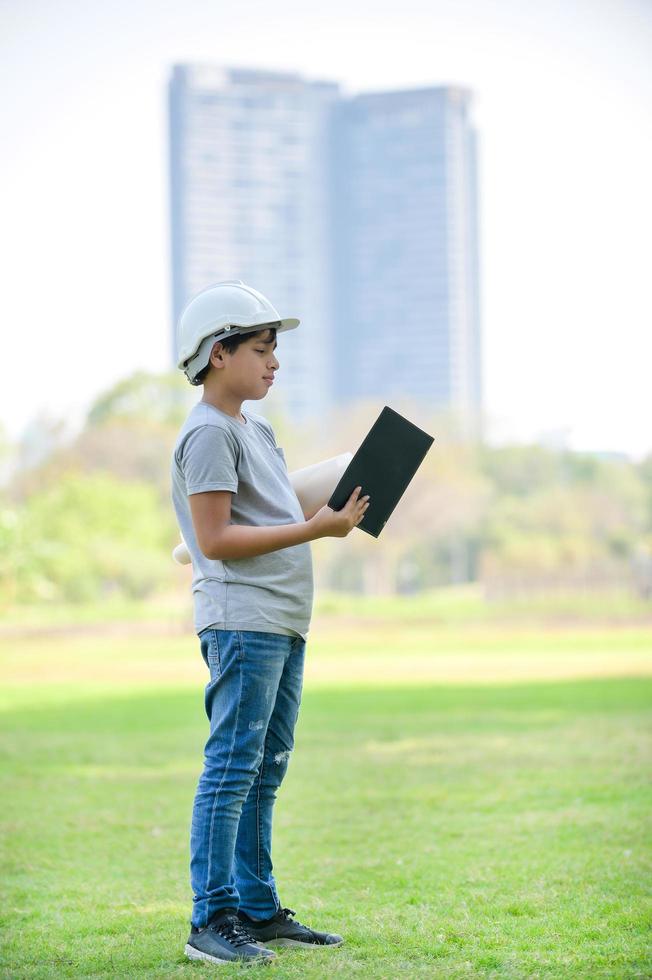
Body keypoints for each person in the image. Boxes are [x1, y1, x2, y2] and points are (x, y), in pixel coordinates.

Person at [170, 281, 370, 966]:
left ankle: (256, 910)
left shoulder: (255, 430)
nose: (273, 363)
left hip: (283, 621)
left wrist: (327, 507)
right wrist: (316, 529)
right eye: (260, 349)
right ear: (217, 354)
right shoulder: (205, 434)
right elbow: (218, 540)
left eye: (274, 349)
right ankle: (212, 919)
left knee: (265, 770)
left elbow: (264, 517)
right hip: (243, 622)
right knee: (231, 770)